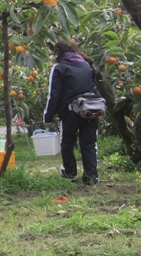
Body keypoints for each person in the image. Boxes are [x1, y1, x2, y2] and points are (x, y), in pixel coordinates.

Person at [43, 39, 100, 185]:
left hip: (71, 111)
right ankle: (91, 176)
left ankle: (69, 172)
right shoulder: (86, 65)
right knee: (88, 143)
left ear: (58, 52)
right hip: (90, 109)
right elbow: (92, 87)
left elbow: (54, 94)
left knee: (67, 142)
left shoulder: (60, 67)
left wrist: (48, 116)